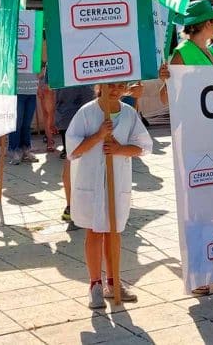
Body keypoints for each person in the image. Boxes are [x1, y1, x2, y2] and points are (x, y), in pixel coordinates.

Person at [158, 0, 213, 295]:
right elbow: (165, 99)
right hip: (197, 138)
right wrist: (165, 80)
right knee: (201, 206)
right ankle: (198, 272)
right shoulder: (182, 53)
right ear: (207, 23)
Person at [66, 82, 154, 309]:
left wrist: (119, 149)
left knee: (113, 231)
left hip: (117, 181)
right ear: (100, 86)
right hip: (91, 182)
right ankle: (95, 284)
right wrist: (98, 136)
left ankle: (114, 282)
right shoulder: (87, 112)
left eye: (120, 86)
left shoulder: (129, 114)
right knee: (95, 231)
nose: (115, 90)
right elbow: (72, 150)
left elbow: (143, 147)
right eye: (110, 85)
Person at [57, 84, 99, 231]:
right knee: (73, 160)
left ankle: (73, 207)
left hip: (77, 112)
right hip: (75, 113)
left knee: (74, 160)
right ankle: (73, 207)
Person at [13, 58, 41, 166]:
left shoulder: (34, 50)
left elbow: (39, 70)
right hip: (17, 90)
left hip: (31, 91)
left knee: (27, 124)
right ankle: (15, 150)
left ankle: (26, 149)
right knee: (17, 123)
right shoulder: (15, 49)